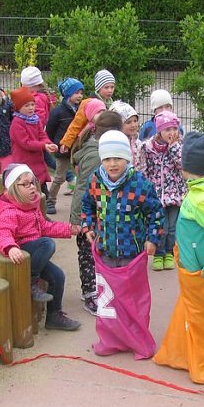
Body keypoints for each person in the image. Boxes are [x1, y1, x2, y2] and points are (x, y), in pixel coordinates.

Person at [154, 132, 204, 385]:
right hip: (190, 267)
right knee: (188, 312)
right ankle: (179, 354)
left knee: (202, 321)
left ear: (188, 168)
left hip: (200, 272)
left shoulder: (202, 199)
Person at [81, 130, 164, 359]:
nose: (112, 164)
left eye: (118, 158)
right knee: (109, 300)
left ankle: (137, 340)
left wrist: (152, 238)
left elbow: (156, 213)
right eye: (107, 158)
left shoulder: (140, 184)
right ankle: (111, 340)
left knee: (133, 299)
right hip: (106, 250)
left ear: (127, 157)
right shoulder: (95, 180)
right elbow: (87, 205)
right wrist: (88, 226)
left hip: (132, 253)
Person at [0, 163, 81, 331]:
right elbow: (2, 233)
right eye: (25, 184)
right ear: (13, 188)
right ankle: (31, 281)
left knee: (58, 276)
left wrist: (69, 229)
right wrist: (10, 248)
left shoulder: (30, 206)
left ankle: (54, 316)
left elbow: (44, 227)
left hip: (33, 255)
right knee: (47, 243)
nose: (32, 187)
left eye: (33, 182)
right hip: (17, 254)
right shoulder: (9, 211)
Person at [69, 111, 124, 315]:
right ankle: (90, 294)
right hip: (89, 216)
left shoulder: (103, 150)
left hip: (100, 213)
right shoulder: (96, 155)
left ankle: (99, 291)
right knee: (88, 254)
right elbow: (83, 189)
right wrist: (79, 220)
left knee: (99, 253)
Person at [137, 110, 186, 271]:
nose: (172, 133)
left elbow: (182, 165)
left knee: (172, 228)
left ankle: (169, 252)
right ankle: (159, 253)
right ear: (159, 130)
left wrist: (173, 147)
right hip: (157, 195)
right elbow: (143, 170)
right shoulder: (147, 147)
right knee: (161, 228)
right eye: (167, 129)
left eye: (174, 129)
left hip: (175, 193)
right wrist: (145, 191)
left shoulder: (179, 146)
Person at [7, 87, 58, 199]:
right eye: (26, 105)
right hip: (24, 162)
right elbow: (26, 143)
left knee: (42, 191)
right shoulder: (17, 123)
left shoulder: (35, 119)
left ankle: (44, 208)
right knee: (29, 191)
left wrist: (48, 143)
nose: (31, 108)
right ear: (18, 107)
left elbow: (42, 135)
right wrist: (43, 145)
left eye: (32, 104)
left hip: (37, 161)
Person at [45, 78, 84, 213]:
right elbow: (50, 130)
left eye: (81, 93)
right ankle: (50, 201)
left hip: (78, 149)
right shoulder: (57, 112)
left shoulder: (81, 109)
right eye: (76, 93)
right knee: (59, 177)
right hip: (62, 150)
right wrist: (55, 144)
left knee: (82, 176)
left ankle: (82, 203)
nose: (79, 96)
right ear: (68, 94)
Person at [58, 69, 116, 152]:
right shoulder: (88, 103)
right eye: (106, 87)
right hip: (87, 142)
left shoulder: (112, 104)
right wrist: (66, 143)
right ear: (98, 88)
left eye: (112, 87)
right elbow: (76, 124)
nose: (110, 90)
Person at [109, 100, 141, 165]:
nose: (133, 125)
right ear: (118, 124)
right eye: (128, 122)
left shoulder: (137, 142)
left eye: (135, 121)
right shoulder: (114, 144)